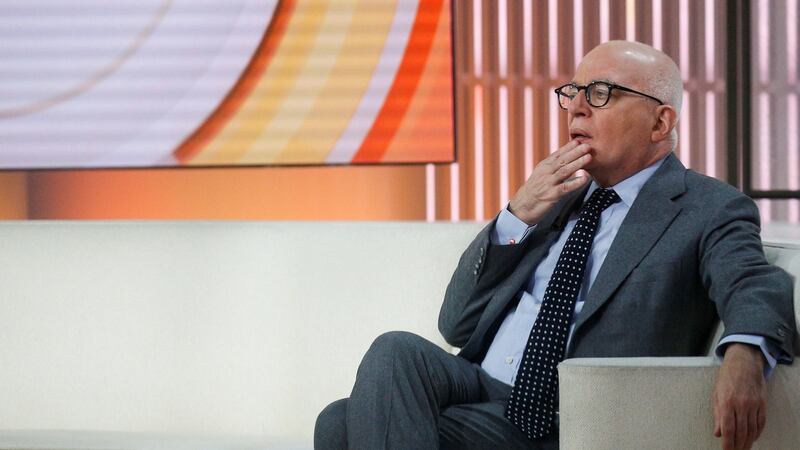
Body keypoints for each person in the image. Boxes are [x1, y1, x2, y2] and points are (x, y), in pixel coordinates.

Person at [314, 40, 796, 450]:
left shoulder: (707, 206)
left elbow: (752, 282)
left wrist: (746, 354)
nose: (577, 107)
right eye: (572, 93)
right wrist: (517, 214)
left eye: (601, 93)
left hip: (559, 414)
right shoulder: (554, 197)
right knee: (395, 350)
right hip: (480, 384)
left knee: (340, 425)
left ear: (660, 122)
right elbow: (456, 323)